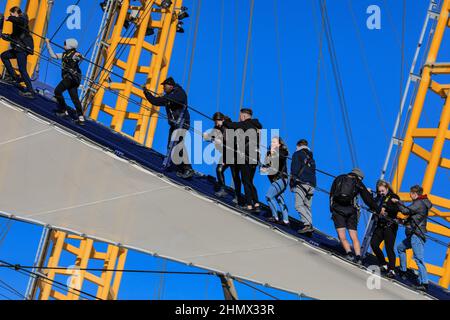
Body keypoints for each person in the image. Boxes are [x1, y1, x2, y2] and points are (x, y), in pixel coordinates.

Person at [144, 77, 194, 179]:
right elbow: (155, 101)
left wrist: (165, 98)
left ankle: (187, 168)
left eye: (164, 86)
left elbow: (175, 99)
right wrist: (146, 92)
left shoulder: (180, 93)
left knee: (177, 145)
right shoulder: (169, 96)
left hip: (182, 123)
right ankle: (182, 168)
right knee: (171, 146)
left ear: (171, 85)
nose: (163, 88)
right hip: (175, 124)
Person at [329, 168, 378, 264]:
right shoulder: (358, 182)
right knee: (354, 236)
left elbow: (331, 194)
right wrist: (377, 209)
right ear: (359, 177)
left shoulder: (339, 178)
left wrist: (332, 209)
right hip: (351, 211)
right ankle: (359, 257)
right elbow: (367, 198)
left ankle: (349, 253)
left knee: (342, 236)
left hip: (338, 209)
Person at [392, 185, 431, 292]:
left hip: (417, 235)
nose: (410, 195)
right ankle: (403, 270)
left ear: (415, 194)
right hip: (416, 234)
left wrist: (397, 202)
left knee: (419, 258)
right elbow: (413, 218)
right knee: (400, 247)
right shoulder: (422, 203)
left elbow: (406, 211)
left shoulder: (419, 203)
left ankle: (424, 283)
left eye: (411, 193)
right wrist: (403, 221)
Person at [223, 108, 262, 211]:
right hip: (255, 156)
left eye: (240, 116)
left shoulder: (246, 124)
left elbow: (232, 125)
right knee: (249, 181)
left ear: (244, 116)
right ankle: (256, 203)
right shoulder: (257, 126)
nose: (240, 118)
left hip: (247, 156)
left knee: (245, 180)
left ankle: (249, 205)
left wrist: (225, 121)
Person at [45, 38, 85, 125]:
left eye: (65, 44)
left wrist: (80, 56)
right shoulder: (64, 55)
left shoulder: (74, 54)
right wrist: (48, 44)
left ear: (70, 46)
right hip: (74, 80)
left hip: (70, 78)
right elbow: (53, 56)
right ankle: (81, 118)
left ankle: (63, 110)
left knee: (57, 91)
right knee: (74, 98)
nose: (64, 46)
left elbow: (79, 57)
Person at [203, 112, 241, 199]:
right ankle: (223, 188)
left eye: (218, 122)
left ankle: (237, 195)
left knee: (235, 175)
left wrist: (222, 141)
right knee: (219, 169)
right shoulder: (216, 127)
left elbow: (233, 142)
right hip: (225, 153)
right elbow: (212, 136)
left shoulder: (229, 126)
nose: (216, 124)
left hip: (234, 154)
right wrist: (207, 136)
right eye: (215, 122)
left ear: (222, 120)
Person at [0, 6, 34, 98]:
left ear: (15, 12)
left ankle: (31, 91)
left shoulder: (22, 18)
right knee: (4, 56)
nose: (10, 15)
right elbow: (15, 36)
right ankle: (15, 77)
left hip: (22, 49)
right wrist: (5, 36)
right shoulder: (16, 22)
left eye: (11, 14)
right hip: (17, 48)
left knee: (22, 69)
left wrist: (9, 18)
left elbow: (21, 21)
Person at [370, 180, 400, 278]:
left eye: (382, 191)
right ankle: (383, 263)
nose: (381, 193)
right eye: (379, 191)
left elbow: (396, 209)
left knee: (389, 248)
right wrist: (369, 194)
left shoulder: (393, 197)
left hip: (390, 225)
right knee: (374, 244)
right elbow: (372, 204)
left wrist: (386, 208)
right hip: (380, 225)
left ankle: (392, 269)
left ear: (387, 189)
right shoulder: (378, 198)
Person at [290, 139, 316, 234]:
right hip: (312, 184)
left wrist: (292, 183)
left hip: (301, 182)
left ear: (298, 145)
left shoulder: (297, 154)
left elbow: (294, 169)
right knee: (307, 206)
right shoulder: (311, 157)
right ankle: (309, 225)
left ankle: (307, 224)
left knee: (298, 205)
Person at [262, 137, 289, 226]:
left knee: (269, 196)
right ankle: (285, 220)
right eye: (271, 142)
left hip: (281, 178)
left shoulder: (282, 151)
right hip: (274, 179)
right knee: (279, 198)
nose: (272, 143)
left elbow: (281, 158)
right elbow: (263, 168)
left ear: (279, 144)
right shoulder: (268, 153)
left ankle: (275, 217)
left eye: (274, 142)